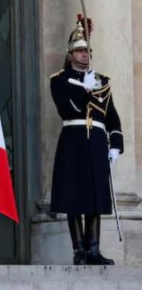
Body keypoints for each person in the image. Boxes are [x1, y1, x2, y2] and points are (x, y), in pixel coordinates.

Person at [50, 18, 122, 265]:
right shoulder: (59, 80)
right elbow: (67, 109)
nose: (85, 55)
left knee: (95, 195)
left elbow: (111, 115)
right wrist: (84, 90)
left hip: (97, 142)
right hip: (74, 140)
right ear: (70, 54)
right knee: (73, 195)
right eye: (80, 50)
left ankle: (94, 249)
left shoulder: (102, 80)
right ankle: (79, 250)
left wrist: (116, 145)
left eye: (87, 51)